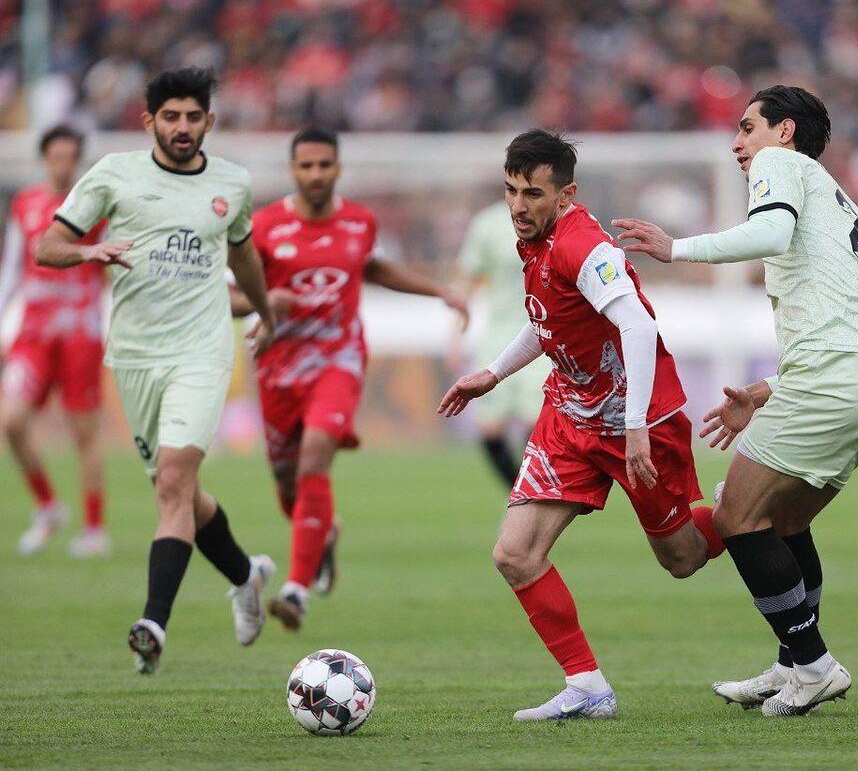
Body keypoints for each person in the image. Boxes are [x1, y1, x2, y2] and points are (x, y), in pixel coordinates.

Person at [614, 84, 858, 717]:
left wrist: (676, 248)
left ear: (785, 132)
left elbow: (770, 233)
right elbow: (844, 315)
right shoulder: (842, 202)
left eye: (748, 127)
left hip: (833, 378)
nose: (737, 142)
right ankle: (793, 664)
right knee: (784, 522)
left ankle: (814, 665)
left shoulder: (781, 165)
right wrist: (770, 389)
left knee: (737, 518)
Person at [439, 130, 725, 722]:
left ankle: (741, 512)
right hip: (570, 414)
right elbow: (547, 318)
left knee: (683, 558)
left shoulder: (585, 248)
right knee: (515, 554)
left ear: (566, 195)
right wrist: (492, 374)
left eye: (533, 194)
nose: (518, 206)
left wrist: (637, 425)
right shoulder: (536, 242)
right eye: (511, 191)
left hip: (639, 422)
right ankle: (588, 686)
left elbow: (638, 327)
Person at [37, 66, 278, 674]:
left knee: (172, 481)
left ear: (209, 122)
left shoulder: (232, 183)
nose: (182, 127)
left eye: (193, 116)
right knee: (179, 491)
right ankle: (245, 576)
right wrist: (88, 250)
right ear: (150, 121)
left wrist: (267, 313)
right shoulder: (114, 174)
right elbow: (47, 246)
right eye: (171, 116)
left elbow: (244, 256)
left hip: (202, 352)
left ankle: (153, 625)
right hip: (134, 356)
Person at [230, 125, 469, 631]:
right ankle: (325, 533)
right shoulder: (264, 225)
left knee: (316, 453)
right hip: (277, 368)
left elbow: (373, 269)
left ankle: (295, 591)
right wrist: (264, 301)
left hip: (338, 360)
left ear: (338, 168)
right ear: (293, 170)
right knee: (288, 485)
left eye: (325, 165)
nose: (316, 174)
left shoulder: (360, 221)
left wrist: (439, 292)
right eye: (306, 166)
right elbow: (228, 295)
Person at [1, 126, 109, 557]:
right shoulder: (26, 204)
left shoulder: (94, 207)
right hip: (34, 333)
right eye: (56, 157)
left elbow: (110, 268)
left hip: (81, 332)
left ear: (78, 161)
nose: (63, 165)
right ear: (45, 159)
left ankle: (94, 527)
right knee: (11, 421)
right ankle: (48, 506)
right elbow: (12, 267)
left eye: (70, 157)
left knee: (85, 432)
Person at [452, 200, 551, 486]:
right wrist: (455, 337)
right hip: (497, 337)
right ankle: (520, 493)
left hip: (541, 336)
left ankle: (533, 496)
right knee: (490, 428)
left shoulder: (553, 217)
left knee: (537, 423)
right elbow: (467, 278)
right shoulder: (487, 224)